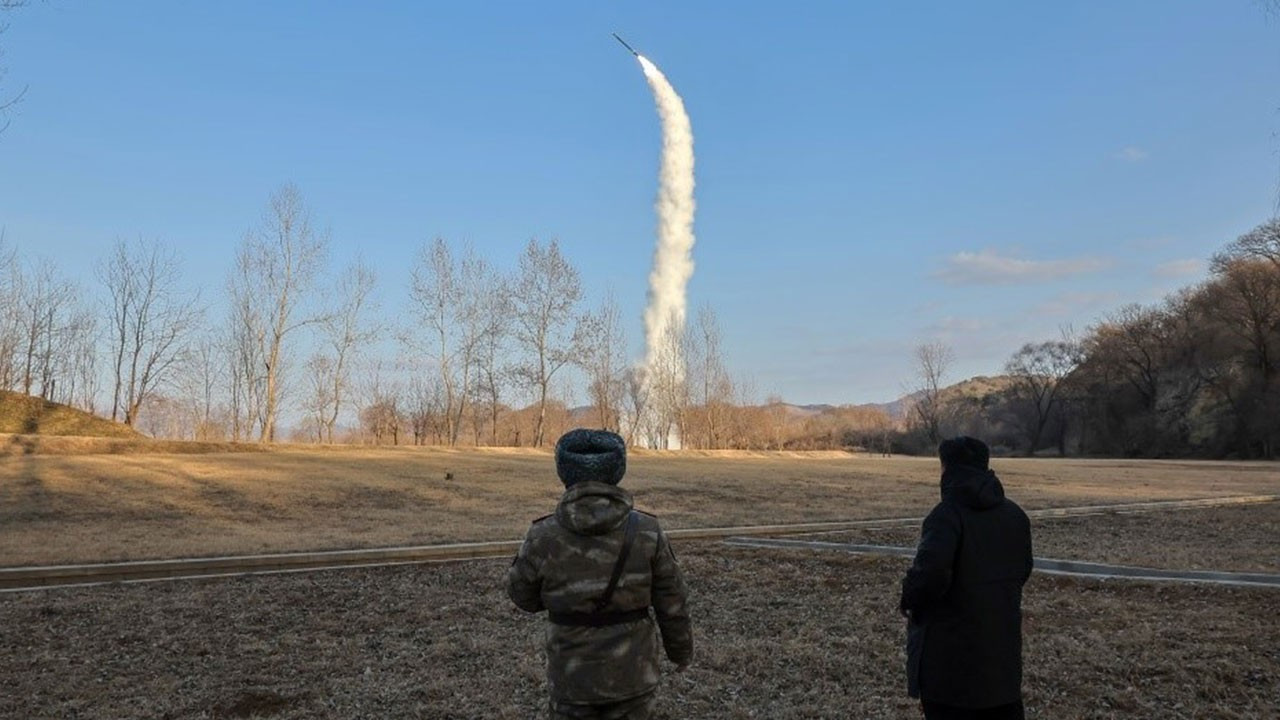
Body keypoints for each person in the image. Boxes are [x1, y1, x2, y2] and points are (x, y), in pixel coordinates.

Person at [507, 428, 693, 720]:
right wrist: (680, 652)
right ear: (618, 469)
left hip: (571, 678)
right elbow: (672, 602)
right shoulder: (647, 530)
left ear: (564, 471)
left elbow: (522, 596)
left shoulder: (543, 534)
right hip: (633, 674)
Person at [900, 436, 1034, 720]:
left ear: (947, 469)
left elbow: (930, 575)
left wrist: (909, 598)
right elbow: (1023, 570)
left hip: (949, 666)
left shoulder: (946, 515)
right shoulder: (1016, 516)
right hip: (1002, 662)